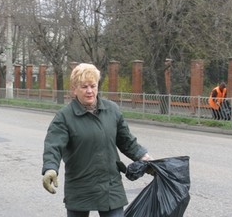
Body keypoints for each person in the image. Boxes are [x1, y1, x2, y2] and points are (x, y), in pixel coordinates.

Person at [41, 63, 152, 217]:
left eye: (93, 86)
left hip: (110, 185)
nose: (89, 91)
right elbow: (53, 145)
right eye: (84, 86)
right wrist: (50, 168)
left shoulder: (111, 110)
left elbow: (126, 141)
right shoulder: (64, 117)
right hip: (80, 185)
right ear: (74, 89)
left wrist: (145, 158)